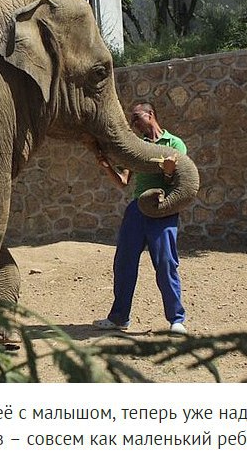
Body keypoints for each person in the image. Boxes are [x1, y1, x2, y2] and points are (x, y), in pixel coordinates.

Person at [92, 101, 189, 335]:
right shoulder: (137, 147)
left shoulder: (174, 144)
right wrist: (106, 167)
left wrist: (167, 173)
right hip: (137, 210)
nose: (134, 124)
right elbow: (123, 181)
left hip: (163, 210)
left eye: (137, 118)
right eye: (132, 121)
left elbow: (180, 182)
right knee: (124, 262)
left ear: (151, 114)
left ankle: (176, 320)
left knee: (166, 262)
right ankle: (119, 318)